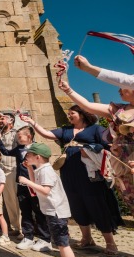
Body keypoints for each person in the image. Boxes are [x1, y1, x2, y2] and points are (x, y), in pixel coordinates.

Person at [21, 105, 120, 255]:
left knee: (96, 204)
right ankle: (87, 238)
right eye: (68, 113)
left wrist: (92, 149)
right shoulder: (66, 130)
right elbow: (47, 134)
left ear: (82, 114)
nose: (69, 116)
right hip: (69, 172)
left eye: (71, 113)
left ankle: (110, 242)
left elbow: (109, 146)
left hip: (90, 173)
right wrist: (31, 122)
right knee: (76, 203)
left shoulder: (95, 129)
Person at [57, 79, 134, 217]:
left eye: (122, 87)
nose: (118, 90)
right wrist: (68, 90)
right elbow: (87, 106)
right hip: (122, 164)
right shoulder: (118, 110)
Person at [18, 143, 82, 257]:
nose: (26, 156)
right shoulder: (41, 169)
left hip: (56, 212)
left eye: (29, 155)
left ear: (37, 157)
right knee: (60, 243)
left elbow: (45, 190)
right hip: (53, 211)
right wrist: (29, 168)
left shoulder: (46, 171)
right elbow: (36, 183)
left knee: (63, 244)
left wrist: (26, 181)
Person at [0, 126, 52, 251]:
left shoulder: (38, 148)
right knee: (25, 211)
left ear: (29, 136)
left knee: (39, 211)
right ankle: (28, 237)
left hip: (35, 184)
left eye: (20, 135)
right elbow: (6, 152)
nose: (18, 137)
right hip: (22, 185)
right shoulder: (19, 148)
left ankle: (45, 239)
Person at [0, 100, 22, 238]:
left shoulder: (16, 132)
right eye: (0, 119)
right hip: (3, 170)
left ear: (11, 120)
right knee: (8, 200)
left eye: (3, 118)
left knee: (16, 199)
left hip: (13, 168)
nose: (0, 121)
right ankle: (15, 227)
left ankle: (24, 230)